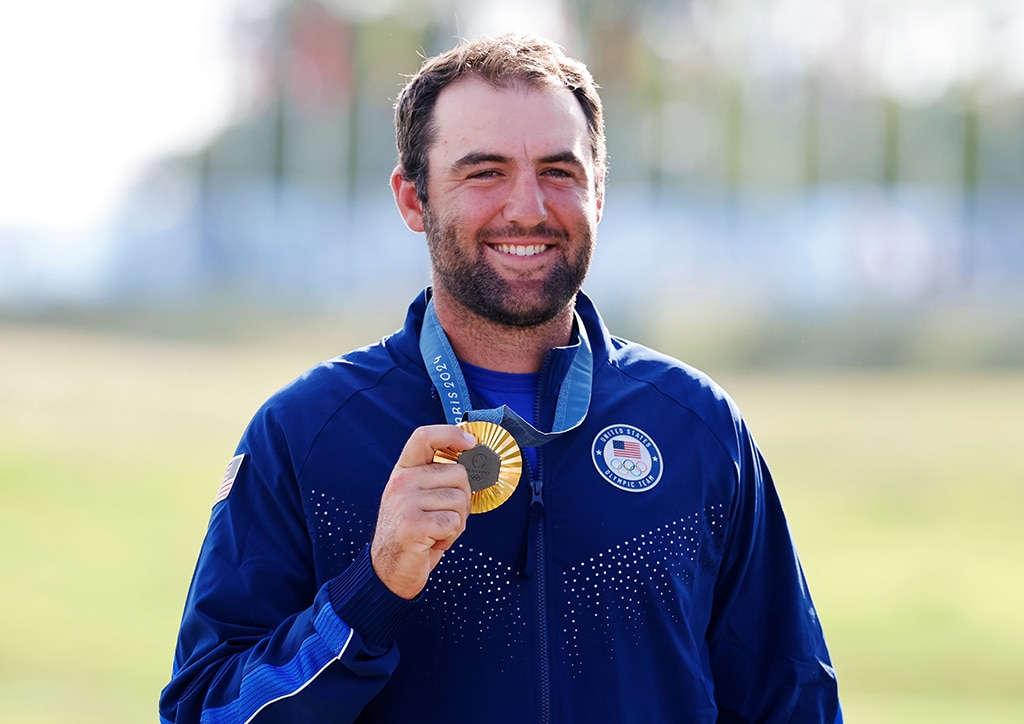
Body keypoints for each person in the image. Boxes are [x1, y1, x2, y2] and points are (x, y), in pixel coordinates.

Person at [160, 33, 841, 723]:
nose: (528, 209)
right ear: (413, 199)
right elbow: (204, 712)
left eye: (558, 172)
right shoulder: (306, 435)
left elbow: (794, 704)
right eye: (484, 172)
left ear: (598, 193)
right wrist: (371, 590)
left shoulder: (696, 425)